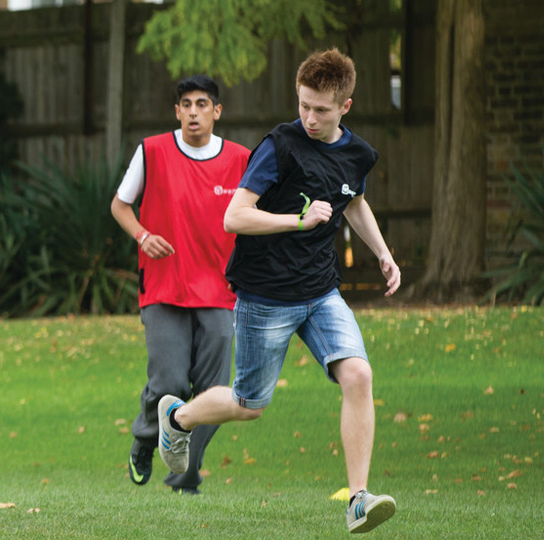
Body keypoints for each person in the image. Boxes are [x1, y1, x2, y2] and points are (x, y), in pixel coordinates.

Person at [156, 49, 400, 533]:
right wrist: (298, 219)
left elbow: (354, 201)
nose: (309, 117)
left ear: (345, 108)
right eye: (304, 105)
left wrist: (383, 252)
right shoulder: (280, 146)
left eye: (322, 110)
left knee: (358, 376)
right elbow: (235, 217)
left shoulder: (358, 154)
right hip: (266, 295)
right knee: (250, 404)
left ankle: (357, 500)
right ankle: (178, 418)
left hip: (321, 291)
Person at [111, 75, 250, 495]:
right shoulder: (152, 151)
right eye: (186, 104)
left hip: (220, 292)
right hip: (164, 288)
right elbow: (121, 205)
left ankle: (184, 475)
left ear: (217, 111)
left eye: (202, 104)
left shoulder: (241, 160)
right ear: (177, 111)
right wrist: (142, 236)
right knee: (169, 384)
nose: (193, 112)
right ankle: (145, 439)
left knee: (212, 394)